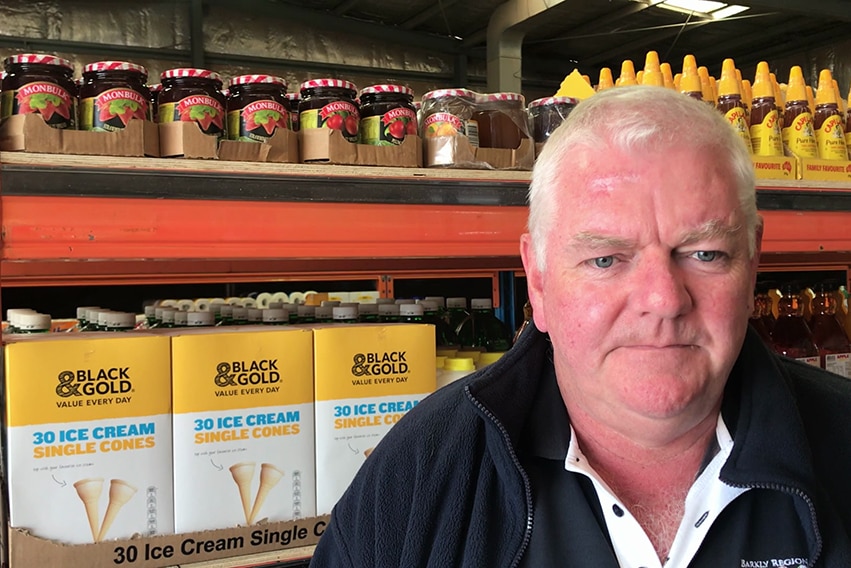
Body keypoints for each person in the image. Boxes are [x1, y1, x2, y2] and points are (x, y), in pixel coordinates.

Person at [311, 86, 851, 567]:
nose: (663, 300)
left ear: (753, 264)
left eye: (705, 253)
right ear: (538, 281)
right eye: (606, 260)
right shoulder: (418, 478)